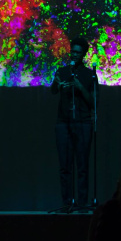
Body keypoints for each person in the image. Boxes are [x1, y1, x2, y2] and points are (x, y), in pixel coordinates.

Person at [50, 37, 98, 209]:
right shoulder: (62, 71)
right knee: (65, 165)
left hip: (84, 122)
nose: (75, 55)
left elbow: (94, 102)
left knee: (82, 165)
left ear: (84, 54)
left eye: (78, 52)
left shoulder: (89, 74)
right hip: (64, 122)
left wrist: (79, 87)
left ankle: (83, 203)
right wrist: (57, 85)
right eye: (73, 51)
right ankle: (67, 203)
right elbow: (53, 91)